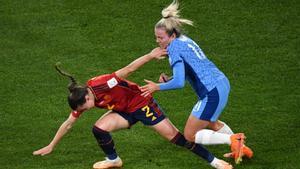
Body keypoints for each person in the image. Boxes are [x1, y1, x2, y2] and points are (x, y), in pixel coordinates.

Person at [32, 48, 234, 169]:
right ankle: (114, 160)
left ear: (86, 96)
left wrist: (150, 55)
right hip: (124, 111)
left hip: (142, 104)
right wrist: (51, 145)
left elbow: (128, 70)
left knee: (177, 138)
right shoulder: (85, 100)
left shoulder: (101, 84)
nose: (83, 110)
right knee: (98, 128)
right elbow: (68, 123)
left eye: (83, 106)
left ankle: (214, 162)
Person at [138, 0, 253, 164]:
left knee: (190, 135)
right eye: (156, 37)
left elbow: (179, 82)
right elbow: (192, 68)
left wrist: (157, 86)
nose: (158, 41)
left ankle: (234, 139)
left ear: (172, 36)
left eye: (161, 38)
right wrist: (168, 79)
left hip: (211, 92)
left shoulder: (173, 48)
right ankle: (240, 148)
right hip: (221, 84)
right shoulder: (185, 40)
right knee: (212, 123)